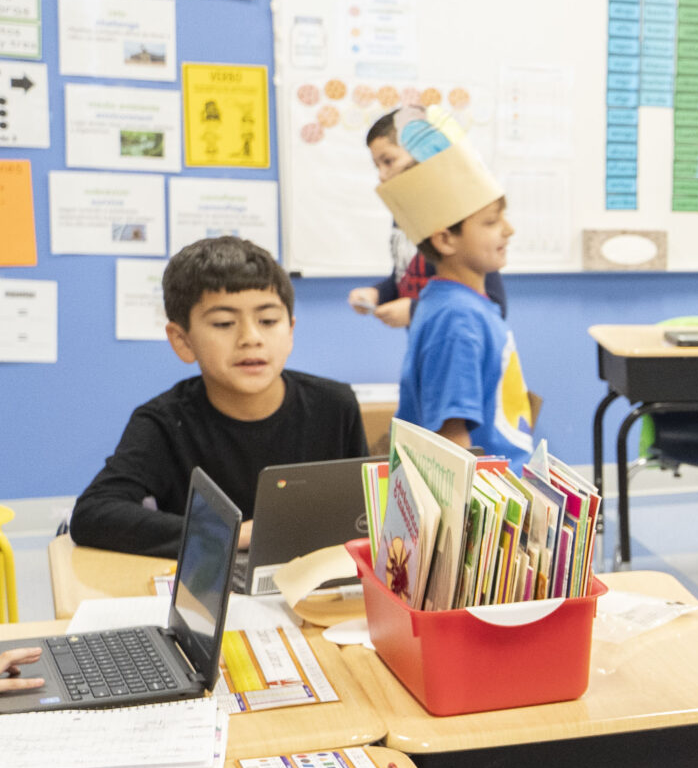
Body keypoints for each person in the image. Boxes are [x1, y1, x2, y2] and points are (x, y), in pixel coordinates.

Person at [71, 236, 366, 556]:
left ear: (290, 330)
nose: (251, 338)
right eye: (224, 323)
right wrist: (231, 533)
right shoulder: (165, 422)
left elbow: (365, 517)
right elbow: (94, 514)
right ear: (182, 340)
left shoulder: (335, 406)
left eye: (268, 321)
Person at [378, 119, 534, 455]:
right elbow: (452, 445)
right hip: (487, 499)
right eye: (491, 222)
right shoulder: (457, 320)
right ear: (445, 239)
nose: (509, 230)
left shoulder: (461, 303)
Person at [348, 110, 508, 329]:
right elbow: (406, 279)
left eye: (388, 161)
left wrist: (415, 310)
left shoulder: (456, 218)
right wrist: (377, 294)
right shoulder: (404, 216)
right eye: (377, 166)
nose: (381, 175)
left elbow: (492, 303)